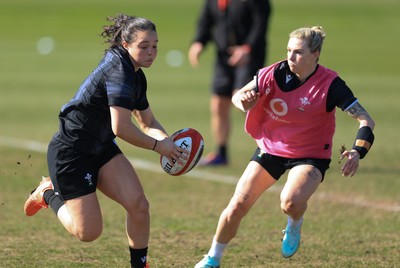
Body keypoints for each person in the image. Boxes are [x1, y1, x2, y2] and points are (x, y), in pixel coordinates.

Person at [194, 26, 375, 267]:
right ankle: (212, 258)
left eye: (298, 52)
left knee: (289, 201)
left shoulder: (330, 84)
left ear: (316, 54)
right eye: (289, 50)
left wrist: (357, 151)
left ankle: (294, 223)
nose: (290, 57)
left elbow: (366, 120)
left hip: (310, 156)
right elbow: (240, 95)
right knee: (238, 204)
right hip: (271, 149)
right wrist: (243, 102)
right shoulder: (273, 73)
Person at [23, 14, 188, 268]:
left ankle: (139, 265)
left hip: (100, 147)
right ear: (125, 44)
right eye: (144, 46)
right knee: (88, 233)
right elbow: (121, 128)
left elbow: (148, 123)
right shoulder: (119, 71)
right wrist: (158, 147)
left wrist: (170, 146)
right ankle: (48, 194)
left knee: (138, 204)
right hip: (72, 152)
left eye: (155, 46)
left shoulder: (136, 75)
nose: (151, 52)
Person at [188, 0, 271, 166]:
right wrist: (198, 42)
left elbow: (260, 24)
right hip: (223, 58)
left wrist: (247, 48)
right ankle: (221, 154)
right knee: (218, 104)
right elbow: (206, 22)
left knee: (243, 99)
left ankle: (270, 151)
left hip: (250, 58)